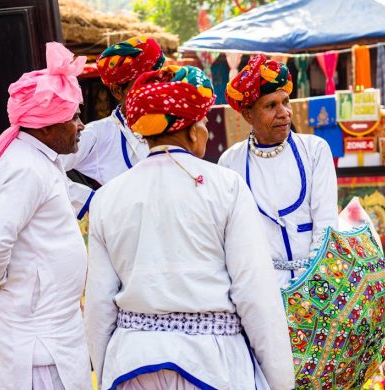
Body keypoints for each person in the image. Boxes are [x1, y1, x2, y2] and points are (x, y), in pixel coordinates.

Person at [84, 65, 295, 390]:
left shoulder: (107, 197)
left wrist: (107, 368)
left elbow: (99, 305)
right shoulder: (226, 187)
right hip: (212, 365)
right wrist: (282, 382)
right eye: (204, 123)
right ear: (193, 131)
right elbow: (256, 297)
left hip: (131, 366)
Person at [0, 42, 92, 389]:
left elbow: (73, 199)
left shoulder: (40, 160)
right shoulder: (27, 169)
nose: (82, 125)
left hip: (51, 338)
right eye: (73, 118)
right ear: (45, 128)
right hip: (37, 352)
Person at [218, 55, 338, 287]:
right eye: (271, 106)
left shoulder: (315, 150)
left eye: (286, 102)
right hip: (259, 287)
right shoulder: (230, 162)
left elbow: (326, 224)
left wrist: (313, 283)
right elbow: (231, 237)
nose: (284, 112)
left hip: (316, 283)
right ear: (248, 115)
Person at [60, 36, 165, 214]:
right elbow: (47, 172)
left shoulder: (174, 123)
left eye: (159, 81)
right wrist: (93, 201)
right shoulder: (98, 134)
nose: (155, 89)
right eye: (144, 83)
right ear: (118, 91)